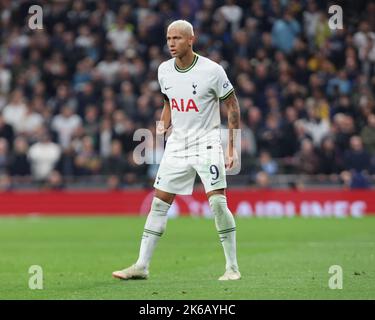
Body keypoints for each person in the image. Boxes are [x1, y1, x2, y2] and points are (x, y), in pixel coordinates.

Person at [113, 20, 241, 281]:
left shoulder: (212, 71)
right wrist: (162, 126)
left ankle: (232, 268)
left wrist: (232, 148)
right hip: (177, 145)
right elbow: (169, 102)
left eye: (177, 38)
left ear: (191, 40)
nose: (171, 43)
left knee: (217, 202)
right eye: (169, 38)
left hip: (206, 143)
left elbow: (233, 107)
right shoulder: (164, 71)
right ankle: (141, 266)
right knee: (159, 204)